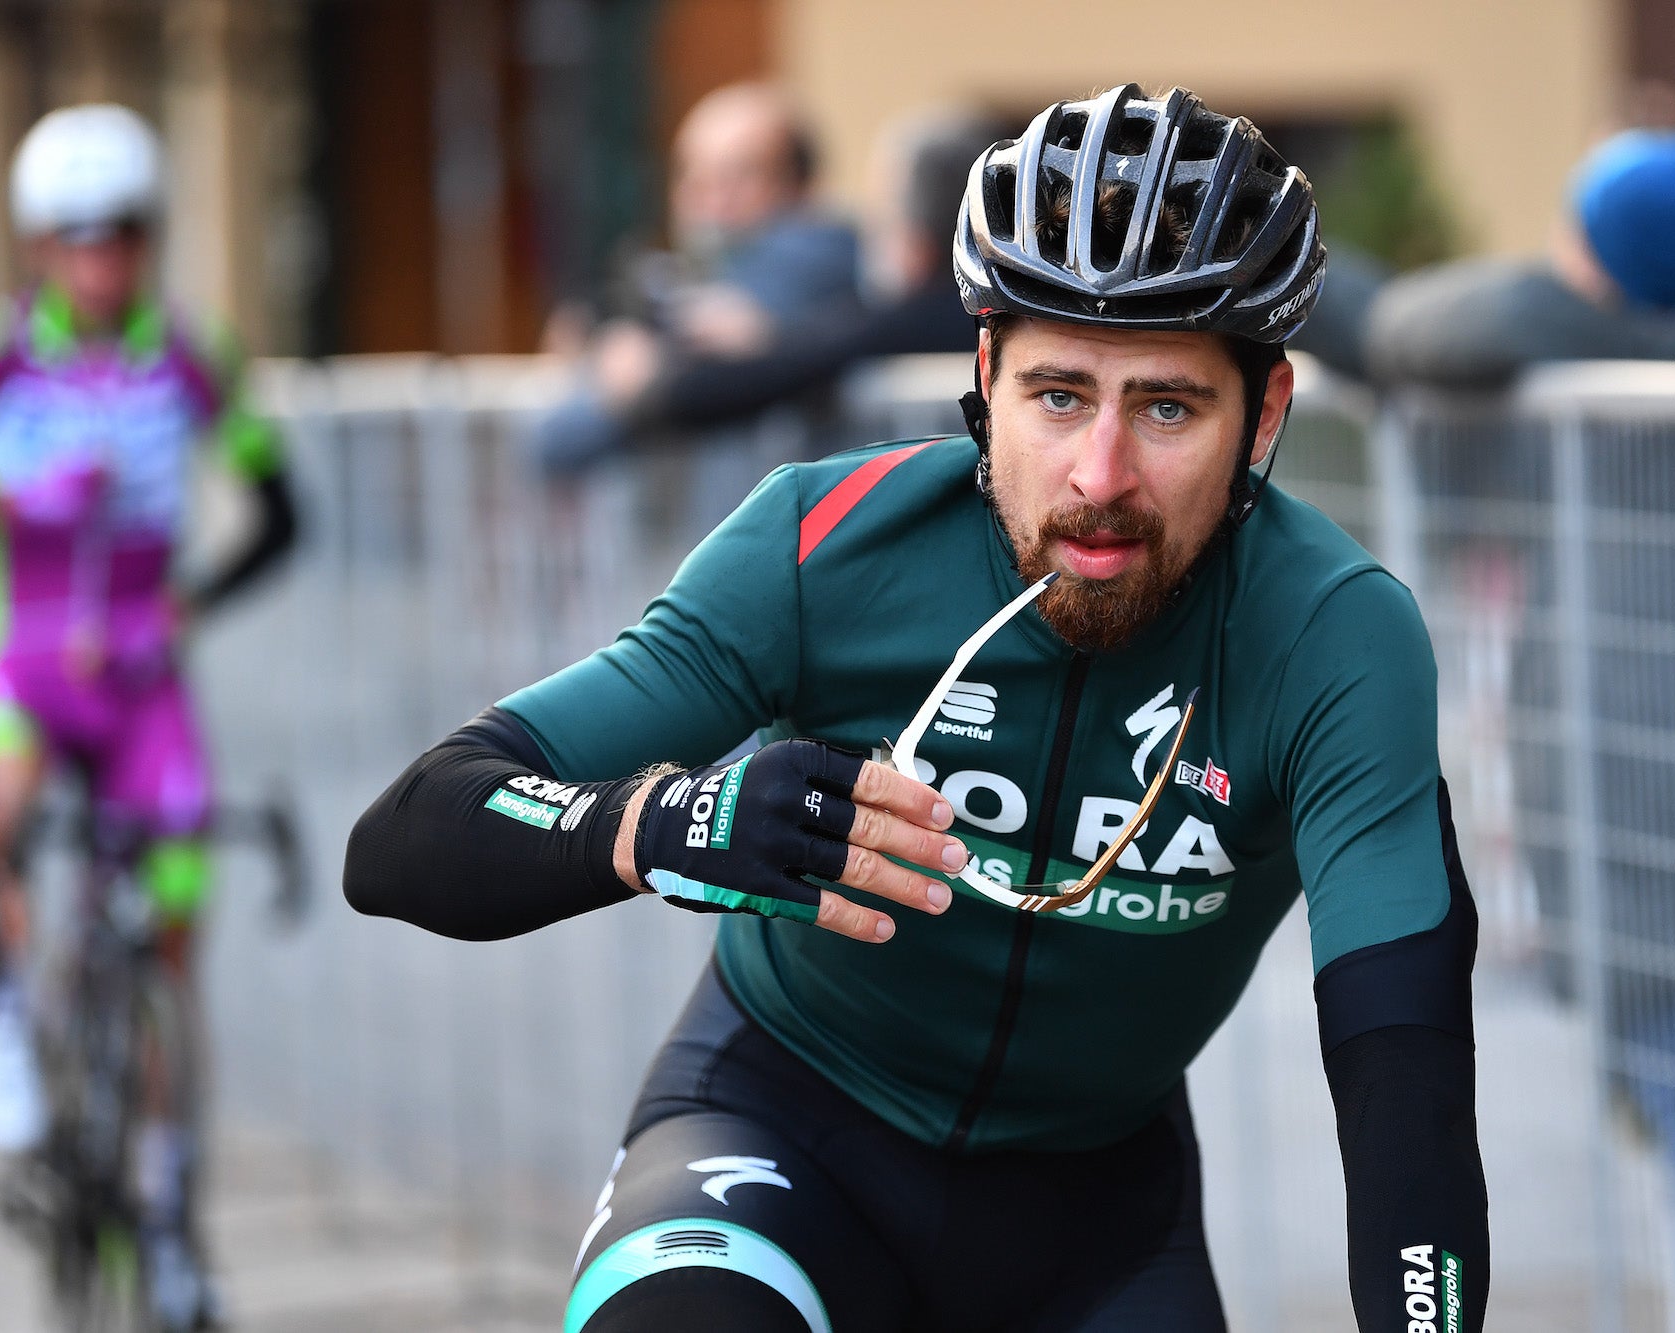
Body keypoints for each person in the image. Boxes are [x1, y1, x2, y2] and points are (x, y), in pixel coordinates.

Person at [349, 84, 1488, 1332]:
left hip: (1092, 1218)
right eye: (1057, 395)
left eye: (1166, 406)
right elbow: (405, 835)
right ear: (986, 376)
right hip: (780, 1137)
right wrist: (666, 825)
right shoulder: (823, 544)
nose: (1098, 477)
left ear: (1262, 415)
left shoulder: (1333, 634)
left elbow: (1404, 1067)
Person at [0, 102, 298, 1329]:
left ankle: (170, 1214)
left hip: (141, 680)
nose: (99, 260)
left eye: (122, 234)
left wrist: (188, 597)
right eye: (73, 237)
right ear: (36, 244)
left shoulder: (194, 356)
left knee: (172, 956)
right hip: (15, 658)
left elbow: (281, 513)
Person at [604, 108, 1002, 438]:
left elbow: (802, 358)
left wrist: (657, 386)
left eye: (882, 216)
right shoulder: (1004, 305)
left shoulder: (933, 313)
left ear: (916, 238)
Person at [533, 82, 862, 472]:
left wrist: (634, 364)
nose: (710, 198)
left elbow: (565, 436)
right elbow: (557, 442)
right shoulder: (687, 279)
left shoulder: (819, 252)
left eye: (739, 176)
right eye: (692, 176)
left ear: (799, 185)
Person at [1362, 128, 1675, 387]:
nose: (1555, 243)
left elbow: (1394, 319)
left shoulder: (1553, 328)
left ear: (1601, 268)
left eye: (1575, 226)